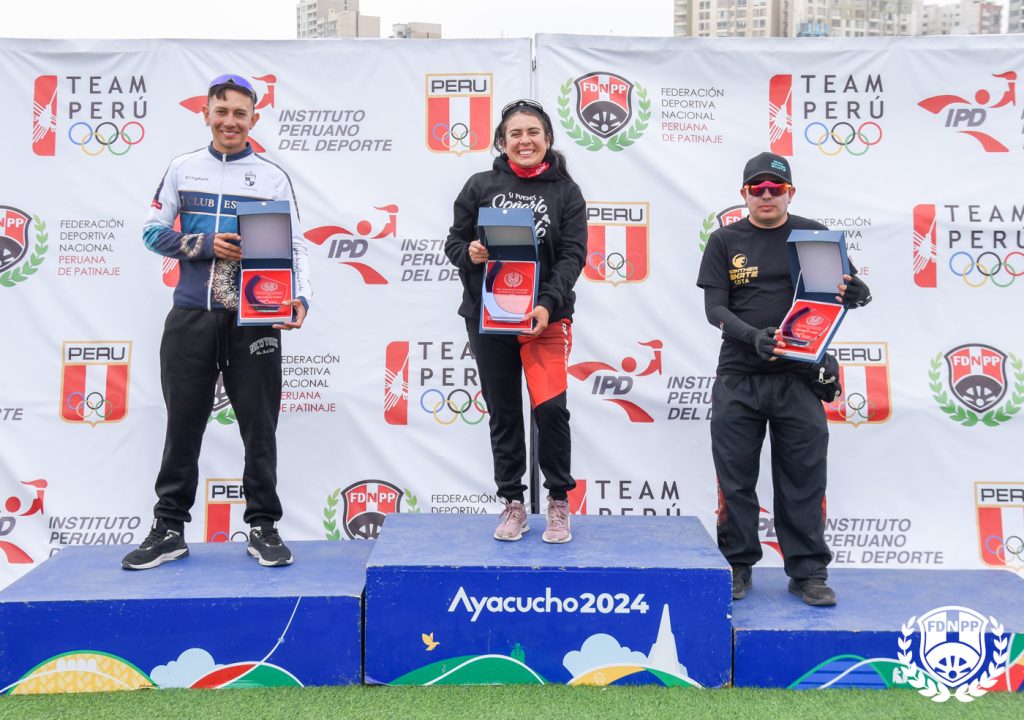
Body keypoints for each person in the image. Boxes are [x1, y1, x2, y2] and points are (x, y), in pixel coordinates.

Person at [122, 74, 312, 570]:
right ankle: (168, 528)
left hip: (256, 318)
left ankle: (263, 527)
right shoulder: (183, 169)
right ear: (206, 113)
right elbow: (150, 233)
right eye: (222, 111)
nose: (231, 121)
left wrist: (301, 298)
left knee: (259, 426)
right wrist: (203, 244)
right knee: (183, 426)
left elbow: (295, 246)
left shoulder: (272, 176)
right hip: (191, 315)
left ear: (254, 119)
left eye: (240, 113)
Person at [696, 152, 871, 606]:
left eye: (776, 187)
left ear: (791, 192)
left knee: (803, 479)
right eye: (758, 188)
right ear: (744, 195)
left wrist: (859, 292)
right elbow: (715, 308)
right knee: (735, 480)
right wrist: (753, 337)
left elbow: (836, 295)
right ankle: (737, 565)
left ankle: (808, 572)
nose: (767, 195)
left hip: (801, 376)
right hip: (739, 375)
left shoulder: (815, 237)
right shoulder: (724, 240)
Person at [444, 99, 587, 544]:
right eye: (515, 134)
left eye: (533, 133)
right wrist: (469, 253)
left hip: (545, 319)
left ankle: (559, 503)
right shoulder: (480, 184)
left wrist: (546, 304)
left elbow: (572, 256)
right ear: (502, 142)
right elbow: (454, 242)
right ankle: (513, 503)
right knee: (504, 413)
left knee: (551, 411)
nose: (525, 141)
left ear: (547, 139)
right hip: (490, 319)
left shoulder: (566, 191)